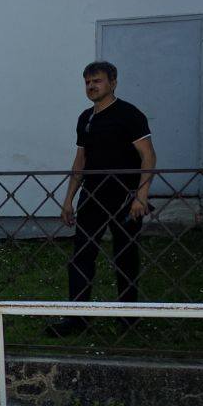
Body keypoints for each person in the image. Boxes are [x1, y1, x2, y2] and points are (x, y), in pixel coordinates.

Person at [51, 61, 156, 336]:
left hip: (125, 198)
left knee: (125, 257)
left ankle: (128, 318)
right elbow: (80, 160)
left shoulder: (129, 115)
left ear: (113, 82)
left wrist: (141, 196)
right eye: (87, 82)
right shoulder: (86, 118)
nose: (91, 86)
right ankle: (76, 318)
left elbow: (148, 155)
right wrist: (68, 199)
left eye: (96, 81)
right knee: (81, 256)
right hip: (92, 197)